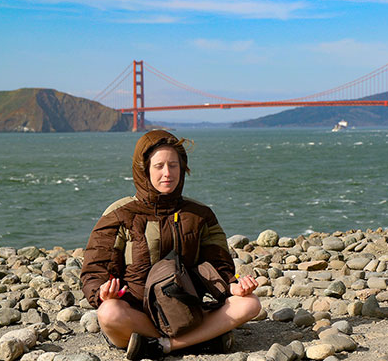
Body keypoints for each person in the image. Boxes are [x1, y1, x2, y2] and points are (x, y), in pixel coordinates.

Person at [80, 130, 261, 360]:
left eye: (173, 165)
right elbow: (95, 269)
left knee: (250, 304)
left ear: (182, 168)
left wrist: (232, 287)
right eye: (159, 166)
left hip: (186, 313)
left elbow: (217, 263)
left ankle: (162, 345)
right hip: (137, 313)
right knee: (108, 313)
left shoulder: (199, 214)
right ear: (144, 169)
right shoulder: (119, 215)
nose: (167, 173)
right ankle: (204, 339)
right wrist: (102, 292)